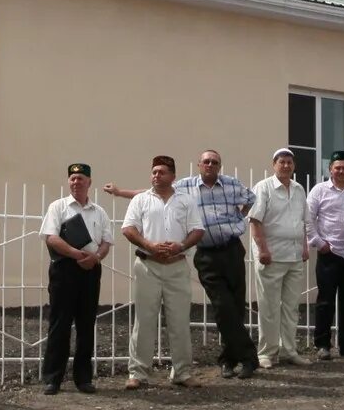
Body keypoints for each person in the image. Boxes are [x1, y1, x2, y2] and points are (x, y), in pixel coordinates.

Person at [119, 155, 202, 388]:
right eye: (154, 172)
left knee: (179, 321)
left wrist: (180, 246)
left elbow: (197, 230)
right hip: (148, 266)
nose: (156, 175)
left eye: (162, 172)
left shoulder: (186, 200)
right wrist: (150, 246)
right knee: (144, 321)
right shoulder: (141, 200)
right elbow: (128, 228)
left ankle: (182, 373)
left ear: (173, 176)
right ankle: (138, 373)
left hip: (177, 267)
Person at [180, 150, 258, 379]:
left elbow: (251, 198)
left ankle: (228, 360)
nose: (210, 164)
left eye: (214, 162)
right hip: (206, 255)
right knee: (223, 307)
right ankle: (249, 357)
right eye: (206, 161)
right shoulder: (185, 186)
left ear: (219, 166)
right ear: (199, 164)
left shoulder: (232, 184)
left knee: (236, 306)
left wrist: (238, 217)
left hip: (232, 250)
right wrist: (120, 192)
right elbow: (156, 191)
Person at [39, 163, 111, 394]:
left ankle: (83, 378)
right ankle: (53, 378)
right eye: (72, 178)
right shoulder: (58, 207)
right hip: (65, 269)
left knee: (86, 324)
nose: (76, 182)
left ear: (89, 182)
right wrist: (76, 254)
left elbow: (106, 242)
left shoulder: (99, 212)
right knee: (59, 324)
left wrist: (96, 257)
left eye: (80, 178)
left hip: (90, 270)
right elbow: (51, 237)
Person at [246, 148, 311, 369]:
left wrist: (304, 247)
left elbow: (302, 222)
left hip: (294, 256)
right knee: (269, 307)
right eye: (281, 162)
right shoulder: (263, 187)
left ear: (294, 166)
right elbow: (255, 221)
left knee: (291, 307)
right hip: (271, 257)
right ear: (274, 164)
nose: (286, 165)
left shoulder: (299, 189)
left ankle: (289, 351)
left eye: (289, 162)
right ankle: (267, 353)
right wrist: (263, 250)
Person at [306, 152, 344, 361]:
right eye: (337, 167)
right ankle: (322, 344)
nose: (341, 171)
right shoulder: (319, 190)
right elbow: (308, 219)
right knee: (325, 301)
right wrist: (319, 243)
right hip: (329, 253)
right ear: (330, 169)